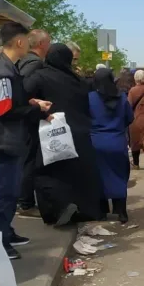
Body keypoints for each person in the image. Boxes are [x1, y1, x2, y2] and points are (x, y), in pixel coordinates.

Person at [0, 22, 52, 260]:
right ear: (20, 42)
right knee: (6, 193)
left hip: (7, 138)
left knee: (9, 191)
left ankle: (7, 231)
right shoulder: (3, 71)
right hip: (6, 140)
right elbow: (4, 110)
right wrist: (36, 110)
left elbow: (10, 103)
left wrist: (32, 103)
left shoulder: (5, 67)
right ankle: (0, 238)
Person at [24, 43, 103, 225]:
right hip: (79, 134)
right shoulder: (78, 80)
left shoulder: (39, 77)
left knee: (49, 174)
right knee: (77, 175)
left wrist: (38, 106)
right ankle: (82, 209)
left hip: (51, 133)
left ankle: (56, 211)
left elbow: (22, 96)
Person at [89, 68, 134, 223]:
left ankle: (102, 212)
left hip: (96, 143)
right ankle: (121, 212)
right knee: (120, 176)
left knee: (99, 177)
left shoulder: (90, 98)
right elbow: (130, 118)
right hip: (117, 142)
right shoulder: (122, 98)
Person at [17, 29, 51, 219]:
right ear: (41, 44)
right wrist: (37, 104)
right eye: (49, 42)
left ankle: (24, 200)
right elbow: (25, 91)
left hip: (24, 118)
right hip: (30, 119)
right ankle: (26, 203)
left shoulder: (22, 61)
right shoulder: (35, 64)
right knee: (29, 162)